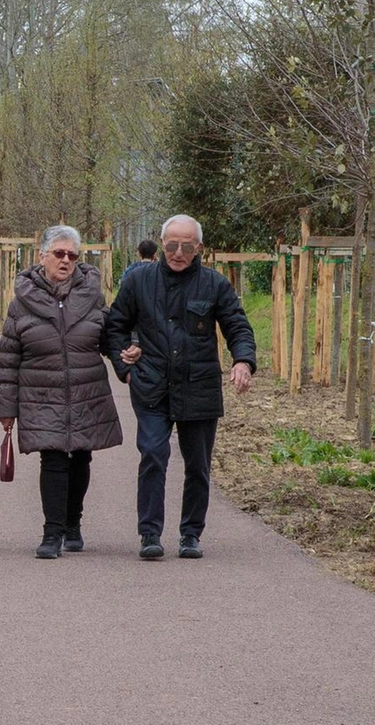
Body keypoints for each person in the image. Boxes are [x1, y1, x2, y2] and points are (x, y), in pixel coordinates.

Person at [104, 214, 256, 560]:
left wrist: (243, 362)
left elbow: (238, 326)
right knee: (154, 455)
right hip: (151, 384)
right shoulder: (138, 281)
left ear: (199, 247)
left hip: (199, 387)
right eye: (171, 245)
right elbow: (115, 326)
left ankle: (191, 533)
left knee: (198, 465)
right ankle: (149, 533)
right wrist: (124, 365)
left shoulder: (214, 285)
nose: (177, 252)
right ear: (161, 243)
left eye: (186, 246)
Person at [0, 225, 123, 559]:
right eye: (59, 254)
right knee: (52, 458)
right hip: (41, 393)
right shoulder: (21, 302)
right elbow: (8, 358)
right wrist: (5, 408)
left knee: (80, 456)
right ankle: (51, 534)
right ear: (42, 256)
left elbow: (110, 338)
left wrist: (129, 353)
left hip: (85, 388)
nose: (66, 261)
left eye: (72, 255)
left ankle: (73, 524)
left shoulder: (92, 294)